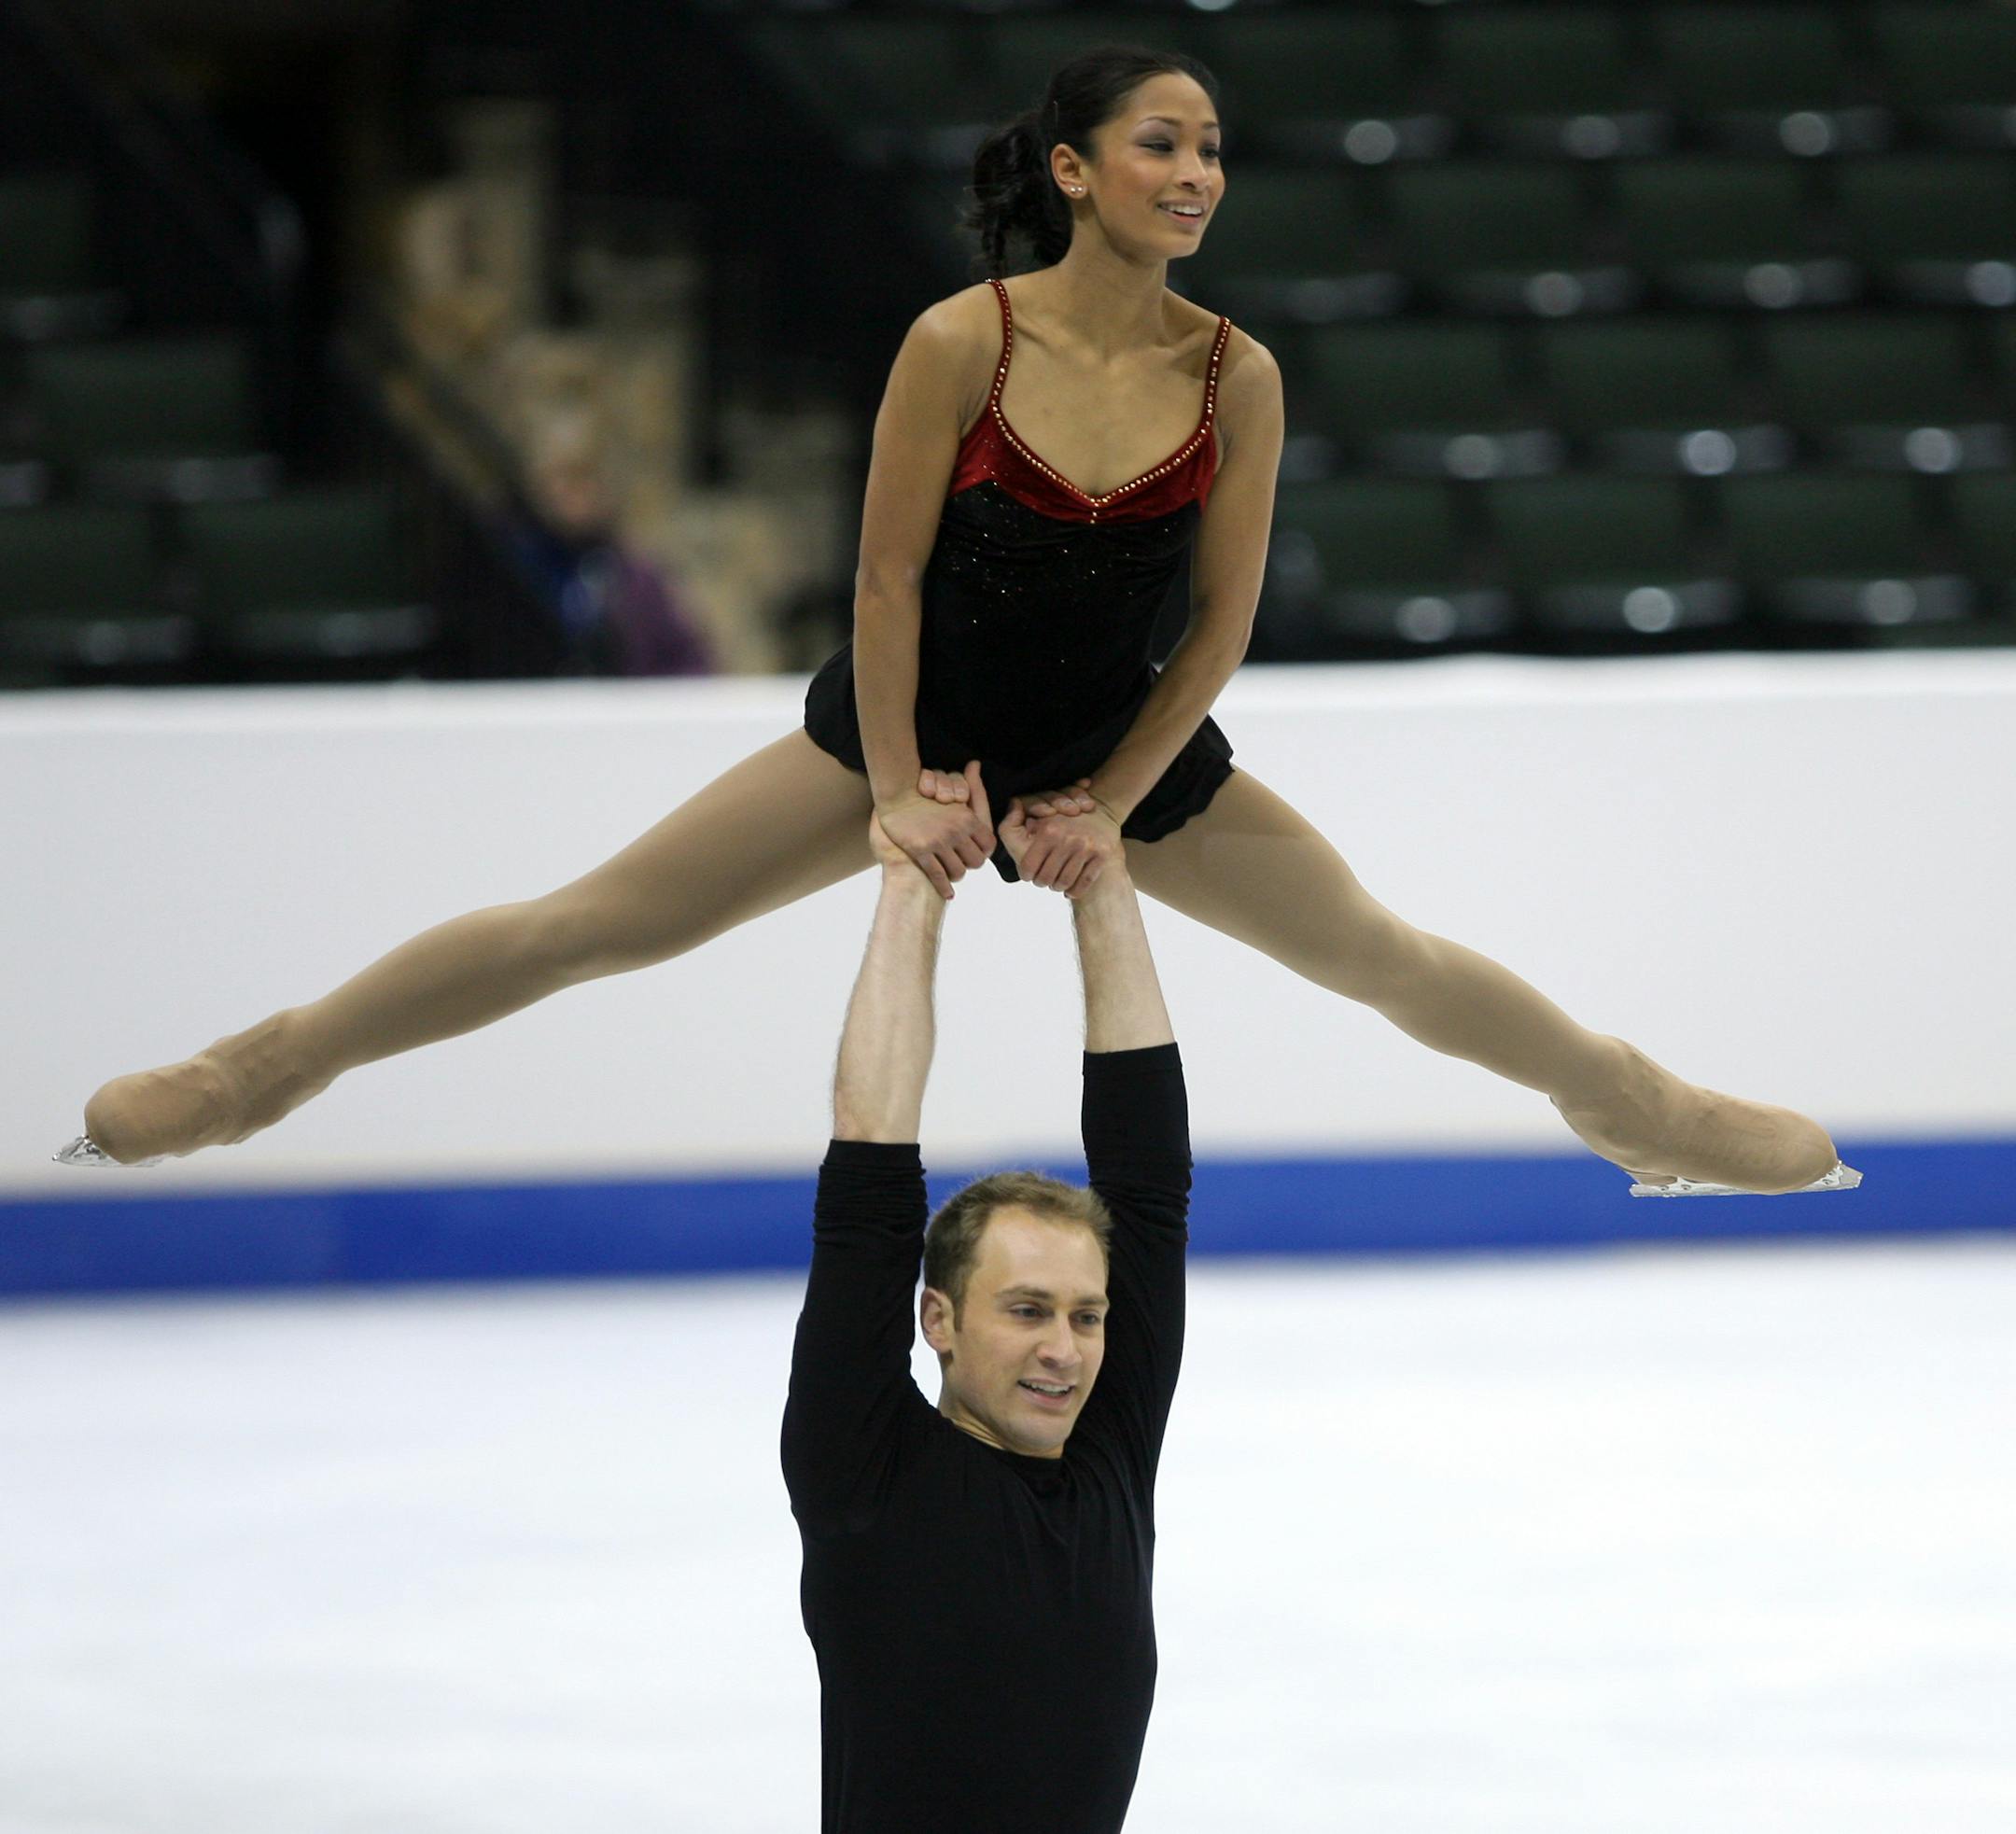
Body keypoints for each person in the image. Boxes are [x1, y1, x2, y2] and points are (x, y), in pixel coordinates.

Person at [60, 44, 1855, 1200]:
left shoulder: (1242, 375)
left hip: (1123, 743)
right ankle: (264, 1067)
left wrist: (1113, 799)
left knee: (1383, 957)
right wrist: (905, 787)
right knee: (594, 925)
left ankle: (1642, 1110)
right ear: (1075, 168)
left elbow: (1222, 624)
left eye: (1215, 149)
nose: (1200, 172)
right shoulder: (960, 340)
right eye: (1164, 142)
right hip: (906, 727)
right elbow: (887, 581)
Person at [783, 775, 1189, 1832]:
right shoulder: (864, 1469)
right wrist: (912, 881)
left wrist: (1100, 874)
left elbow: (1148, 1185)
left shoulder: (1110, 1460)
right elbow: (868, 1162)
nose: (1065, 1348)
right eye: (1025, 1309)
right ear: (940, 1322)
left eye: (1085, 1316)